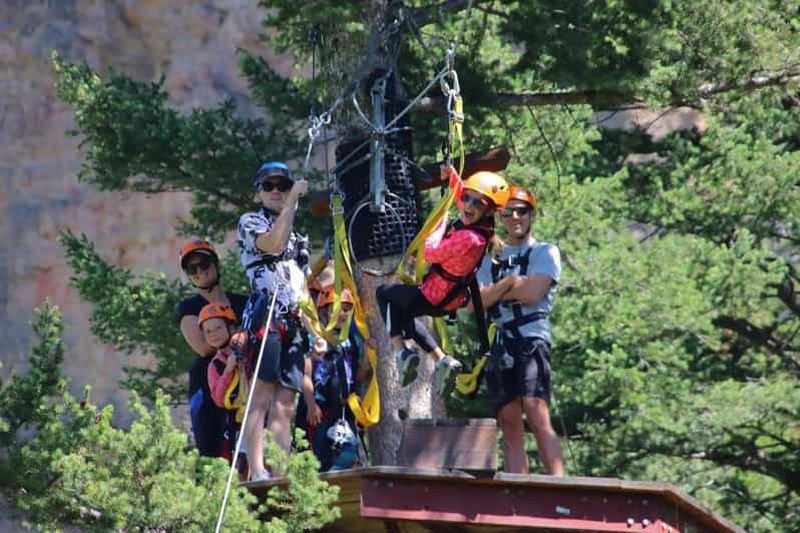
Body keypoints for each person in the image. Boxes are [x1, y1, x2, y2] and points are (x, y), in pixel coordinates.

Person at [376, 171, 509, 397]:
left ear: (489, 210)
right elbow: (459, 195)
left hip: (435, 295)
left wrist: (440, 224)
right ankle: (442, 359)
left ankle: (401, 353)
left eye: (478, 202)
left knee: (384, 294)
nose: (467, 204)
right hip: (447, 296)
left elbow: (429, 252)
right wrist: (452, 176)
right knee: (402, 313)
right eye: (467, 197)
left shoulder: (469, 239)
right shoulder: (480, 227)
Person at [476, 185, 565, 476]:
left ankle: (560, 483)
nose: (515, 217)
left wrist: (500, 290)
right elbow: (478, 301)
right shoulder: (490, 259)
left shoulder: (545, 252)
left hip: (531, 339)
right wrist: (510, 283)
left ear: (531, 215)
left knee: (536, 410)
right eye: (508, 211)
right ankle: (518, 486)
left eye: (521, 211)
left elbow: (533, 292)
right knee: (510, 419)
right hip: (500, 342)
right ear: (500, 216)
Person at [236, 161, 314, 481]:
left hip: (293, 320)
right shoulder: (250, 221)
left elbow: (301, 282)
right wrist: (294, 200)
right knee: (262, 395)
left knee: (286, 403)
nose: (278, 191)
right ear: (259, 193)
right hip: (265, 316)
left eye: (283, 185)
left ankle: (281, 470)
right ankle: (256, 468)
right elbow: (273, 244)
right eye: (270, 186)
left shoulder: (296, 235)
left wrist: (315, 327)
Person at [176, 239, 247, 457]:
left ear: (215, 264)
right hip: (208, 381)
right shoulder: (190, 307)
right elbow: (204, 347)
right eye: (192, 269)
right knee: (209, 446)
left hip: (245, 377)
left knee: (247, 440)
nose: (199, 272)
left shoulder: (242, 302)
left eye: (204, 264)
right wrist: (238, 337)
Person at [296, 288, 370, 471]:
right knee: (319, 457)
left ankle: (332, 483)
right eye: (337, 308)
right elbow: (306, 375)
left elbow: (360, 374)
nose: (342, 313)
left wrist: (369, 353)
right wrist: (311, 405)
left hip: (345, 410)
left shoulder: (353, 340)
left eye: (346, 309)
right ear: (324, 312)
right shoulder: (315, 339)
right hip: (321, 410)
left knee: (348, 455)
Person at [200, 303, 249, 477]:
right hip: (236, 422)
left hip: (258, 413)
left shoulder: (250, 352)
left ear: (231, 327)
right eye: (208, 331)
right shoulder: (215, 365)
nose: (213, 334)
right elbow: (219, 399)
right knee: (242, 466)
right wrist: (228, 370)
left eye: (218, 328)